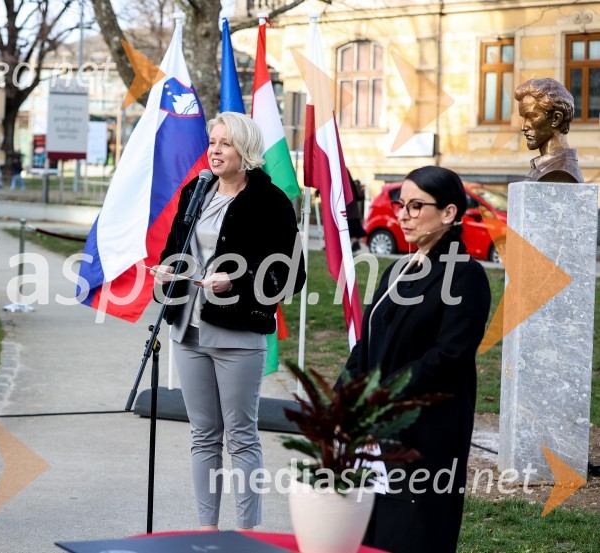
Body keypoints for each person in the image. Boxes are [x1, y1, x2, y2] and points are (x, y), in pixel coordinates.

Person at [151, 112, 306, 530]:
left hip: (238, 335)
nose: (215, 151)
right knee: (203, 435)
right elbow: (175, 250)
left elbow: (292, 276)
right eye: (213, 142)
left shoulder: (270, 202)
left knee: (240, 436)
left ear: (246, 151)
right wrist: (168, 270)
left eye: (225, 143)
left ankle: (247, 532)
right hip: (188, 329)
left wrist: (236, 279)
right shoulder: (195, 192)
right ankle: (206, 529)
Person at [343, 165, 491, 553]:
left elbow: (448, 357)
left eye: (415, 205)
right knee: (366, 536)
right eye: (400, 204)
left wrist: (381, 398)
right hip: (373, 435)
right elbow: (367, 342)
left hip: (426, 433)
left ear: (449, 213)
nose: (403, 214)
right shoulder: (396, 269)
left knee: (410, 535)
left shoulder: (466, 276)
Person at [515, 78, 584, 183]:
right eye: (523, 118)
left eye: (531, 117)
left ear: (556, 119)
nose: (523, 127)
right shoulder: (542, 168)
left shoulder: (561, 172)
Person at [345, 169, 366, 252]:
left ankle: (355, 244)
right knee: (351, 230)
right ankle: (355, 244)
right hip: (352, 212)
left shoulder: (346, 184)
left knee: (350, 229)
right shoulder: (350, 183)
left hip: (349, 212)